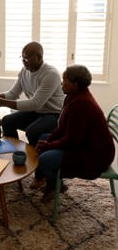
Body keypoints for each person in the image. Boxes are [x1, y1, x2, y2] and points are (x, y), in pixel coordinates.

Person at [30, 64, 115, 202]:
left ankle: (55, 185)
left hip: (94, 154)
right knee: (43, 137)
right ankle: (56, 184)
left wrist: (48, 146)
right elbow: (62, 128)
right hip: (82, 144)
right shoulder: (72, 96)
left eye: (64, 80)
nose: (61, 83)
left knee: (45, 159)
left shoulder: (81, 104)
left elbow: (72, 141)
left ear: (75, 84)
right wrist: (48, 142)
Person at [0, 42, 65, 146]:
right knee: (7, 121)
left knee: (32, 132)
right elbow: (13, 94)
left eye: (27, 59)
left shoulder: (51, 74)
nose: (24, 62)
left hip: (53, 114)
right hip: (36, 112)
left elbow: (35, 103)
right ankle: (12, 150)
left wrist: (3, 103)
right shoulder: (25, 71)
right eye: (22, 58)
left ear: (39, 57)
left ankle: (35, 158)